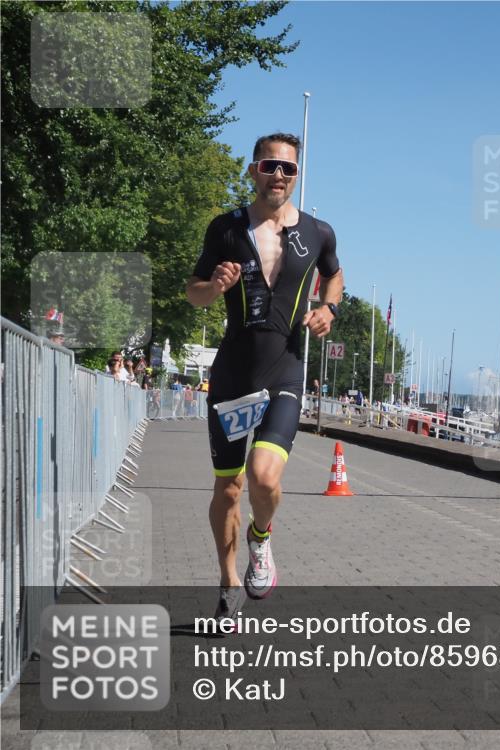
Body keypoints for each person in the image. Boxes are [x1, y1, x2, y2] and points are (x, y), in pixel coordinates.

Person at [186, 132, 343, 621]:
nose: (279, 175)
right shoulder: (225, 228)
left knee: (263, 475)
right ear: (254, 170)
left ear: (297, 177)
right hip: (233, 373)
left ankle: (261, 537)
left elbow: (334, 275)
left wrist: (328, 307)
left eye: (288, 168)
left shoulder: (318, 232)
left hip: (285, 367)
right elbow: (193, 293)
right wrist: (214, 286)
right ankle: (228, 584)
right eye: (270, 166)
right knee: (228, 488)